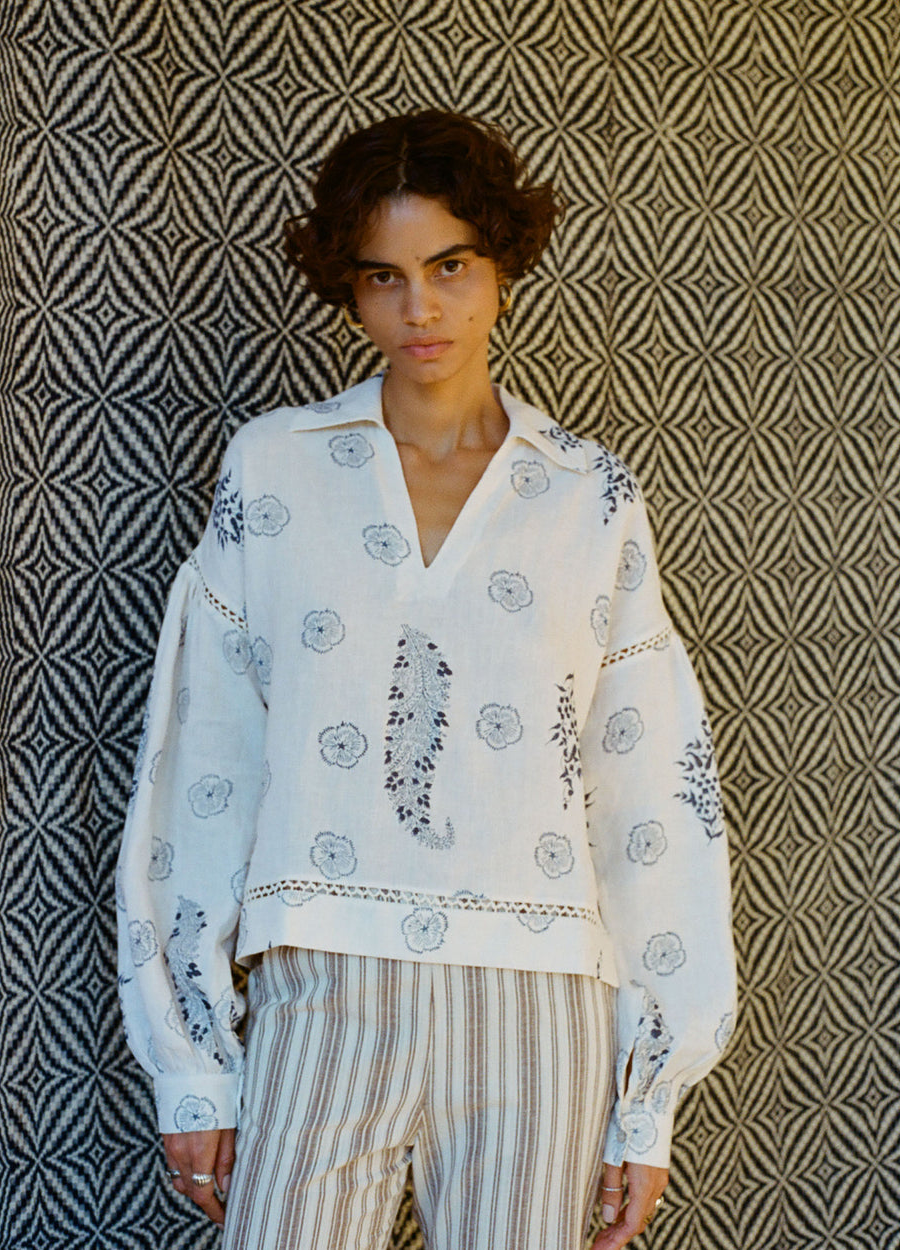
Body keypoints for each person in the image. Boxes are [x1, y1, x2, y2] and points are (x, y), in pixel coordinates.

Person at [116, 108, 736, 1250]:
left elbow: (650, 782)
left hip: (538, 999)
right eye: (384, 277)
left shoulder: (587, 494)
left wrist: (646, 1099)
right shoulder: (275, 467)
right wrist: (191, 1063)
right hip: (323, 982)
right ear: (348, 290)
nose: (421, 309)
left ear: (499, 262)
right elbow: (200, 758)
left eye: (450, 266)